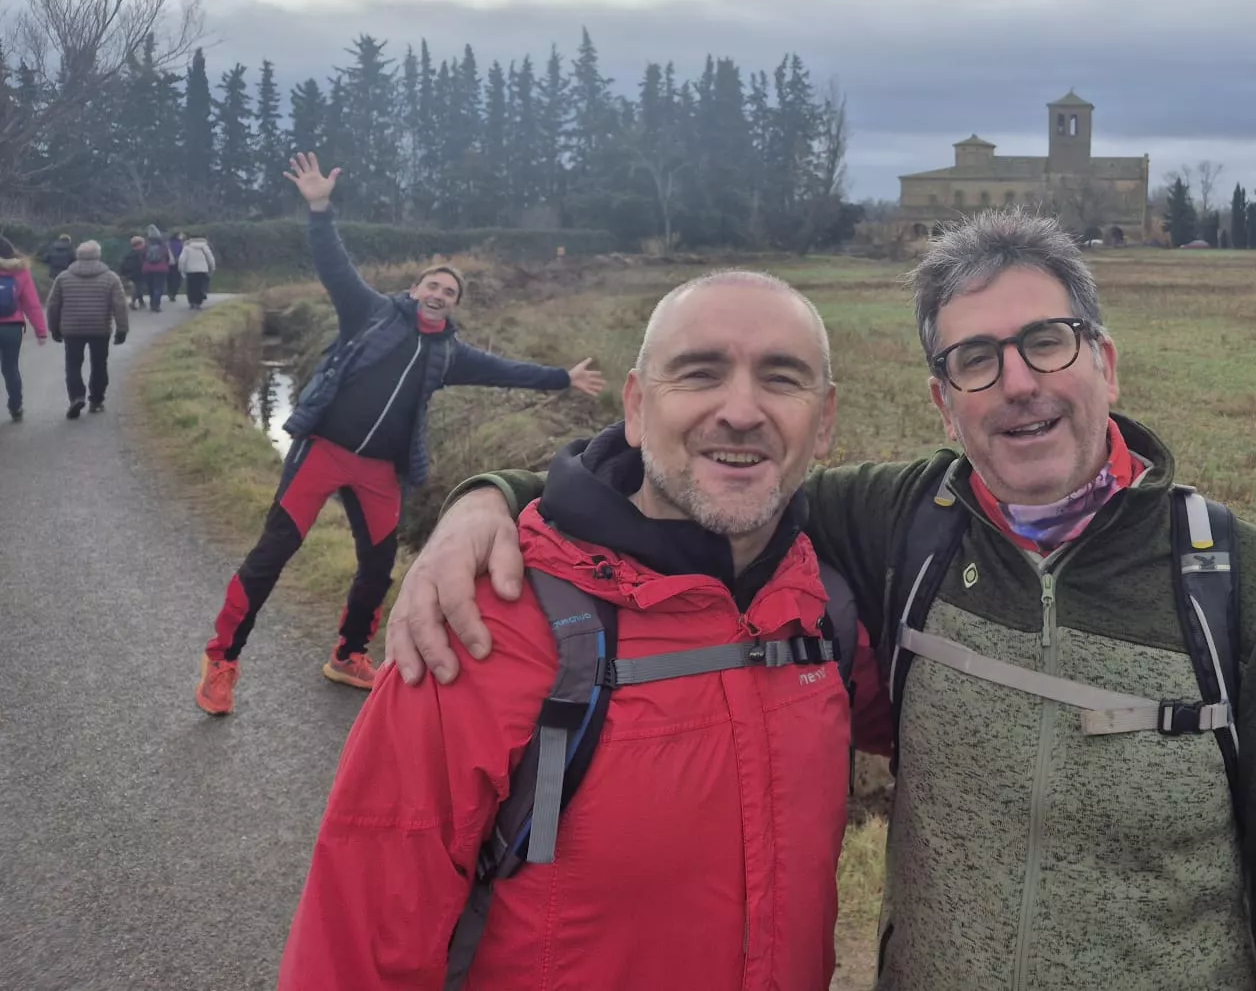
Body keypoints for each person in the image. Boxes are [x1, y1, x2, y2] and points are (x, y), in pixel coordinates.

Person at [390, 210, 1256, 989]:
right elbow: (702, 479)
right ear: (944, 403)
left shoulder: (1228, 578)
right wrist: (499, 497)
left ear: (1103, 364)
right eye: (975, 360)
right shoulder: (899, 523)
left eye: (1047, 343)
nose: (1017, 383)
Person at [280, 272, 853, 990]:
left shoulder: (829, 613)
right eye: (699, 373)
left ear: (824, 420)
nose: (740, 411)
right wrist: (485, 497)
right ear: (636, 408)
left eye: (782, 378)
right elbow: (354, 954)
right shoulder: (477, 625)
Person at [196, 153, 607, 717]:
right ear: (414, 289)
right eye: (432, 285)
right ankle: (222, 660)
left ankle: (348, 655)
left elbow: (505, 370)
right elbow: (334, 263)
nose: (439, 293)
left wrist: (563, 377)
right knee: (272, 554)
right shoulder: (368, 312)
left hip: (380, 473)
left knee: (378, 567)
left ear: (454, 306)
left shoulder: (450, 353)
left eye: (450, 292)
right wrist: (320, 208)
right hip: (322, 453)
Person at [45, 240, 129, 419]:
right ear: (98, 255)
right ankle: (96, 400)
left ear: (77, 255)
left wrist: (54, 328)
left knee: (73, 364)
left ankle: (76, 396)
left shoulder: (63, 277)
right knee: (99, 364)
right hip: (100, 328)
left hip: (72, 329)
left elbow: (53, 304)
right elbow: (120, 305)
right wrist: (122, 329)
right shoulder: (110, 277)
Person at [0, 236, 52, 423]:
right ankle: (16, 406)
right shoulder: (20, 270)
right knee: (11, 368)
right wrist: (41, 331)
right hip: (12, 327)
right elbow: (31, 304)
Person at [178, 234, 217, 308]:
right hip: (202, 270)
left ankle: (192, 301)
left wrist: (181, 270)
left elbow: (182, 260)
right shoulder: (205, 247)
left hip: (190, 270)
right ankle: (198, 302)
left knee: (191, 287)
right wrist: (212, 268)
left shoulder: (186, 247)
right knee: (200, 286)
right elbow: (210, 259)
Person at [140, 224, 173, 312]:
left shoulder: (146, 245)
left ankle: (152, 303)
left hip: (148, 269)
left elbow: (142, 257)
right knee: (158, 287)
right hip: (161, 269)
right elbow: (167, 257)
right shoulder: (163, 245)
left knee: (151, 287)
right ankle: (156, 304)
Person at [118, 236, 146, 308]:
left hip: (129, 273)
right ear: (139, 244)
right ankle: (133, 302)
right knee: (139, 287)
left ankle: (141, 301)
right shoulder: (141, 253)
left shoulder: (129, 254)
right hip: (139, 273)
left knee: (137, 287)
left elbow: (122, 264)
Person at [167, 230, 185, 303]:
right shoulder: (180, 244)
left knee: (169, 279)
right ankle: (174, 293)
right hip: (178, 263)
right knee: (177, 279)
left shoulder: (168, 243)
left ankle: (170, 292)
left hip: (169, 263)